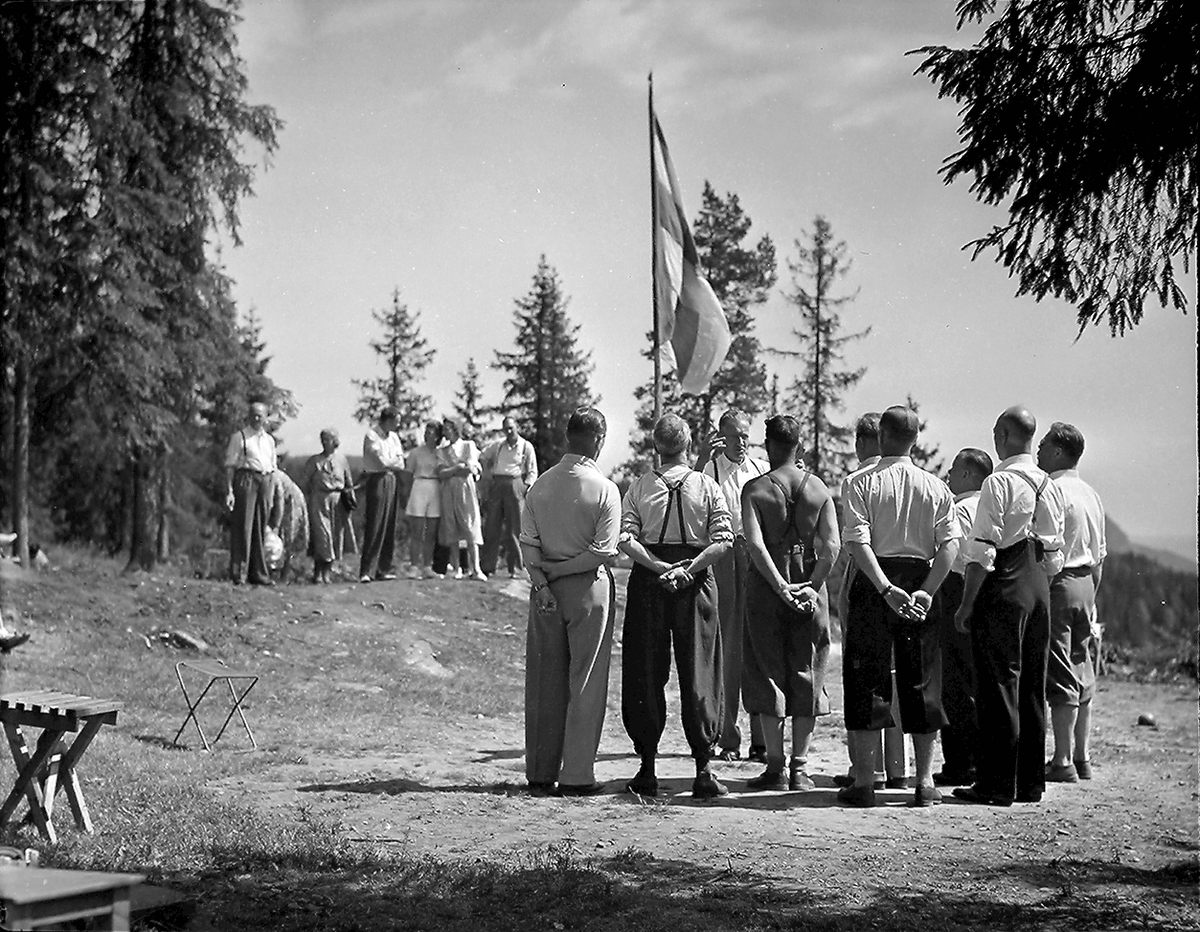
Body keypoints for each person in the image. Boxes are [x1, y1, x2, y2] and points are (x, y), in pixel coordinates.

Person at [840, 406, 960, 808]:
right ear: (916, 438)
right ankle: (924, 782)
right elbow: (950, 545)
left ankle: (864, 781)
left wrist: (885, 587)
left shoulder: (859, 482)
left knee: (867, 679)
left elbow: (858, 543)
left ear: (881, 437)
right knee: (923, 678)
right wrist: (927, 591)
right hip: (922, 577)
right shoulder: (937, 487)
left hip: (877, 581)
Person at [953, 406, 1065, 807]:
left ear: (1002, 434)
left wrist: (966, 604)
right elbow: (1055, 553)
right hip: (1039, 586)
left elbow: (981, 551)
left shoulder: (998, 483)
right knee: (1033, 684)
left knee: (999, 683)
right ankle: (1029, 783)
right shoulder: (1048, 485)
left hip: (1005, 584)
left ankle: (996, 783)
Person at [620, 414, 733, 800]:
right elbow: (723, 541)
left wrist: (659, 567)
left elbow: (626, 539)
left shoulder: (639, 486)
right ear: (688, 445)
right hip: (696, 581)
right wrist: (688, 569)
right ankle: (703, 767)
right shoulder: (708, 486)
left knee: (645, 670)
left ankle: (647, 767)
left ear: (657, 447)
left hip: (650, 582)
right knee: (700, 668)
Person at [520, 407, 622, 796]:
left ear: (567, 436)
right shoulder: (604, 489)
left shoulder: (540, 485)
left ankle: (541, 770)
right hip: (586, 588)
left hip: (543, 589)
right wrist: (563, 572)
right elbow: (603, 551)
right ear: (599, 439)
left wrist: (543, 582)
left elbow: (528, 542)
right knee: (587, 678)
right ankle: (578, 774)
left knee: (545, 680)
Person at [740, 415, 840, 791]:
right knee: (808, 670)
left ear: (768, 445)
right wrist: (811, 586)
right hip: (810, 588)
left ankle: (774, 767)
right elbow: (832, 546)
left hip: (767, 588)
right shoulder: (819, 490)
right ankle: (800, 768)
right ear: (800, 444)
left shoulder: (754, 490)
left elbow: (755, 543)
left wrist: (781, 585)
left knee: (766, 672)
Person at [833, 413, 909, 792]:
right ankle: (897, 767)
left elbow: (853, 542)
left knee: (864, 672)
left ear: (863, 443)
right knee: (896, 671)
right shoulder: (911, 480)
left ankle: (866, 767)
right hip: (907, 572)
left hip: (867, 574)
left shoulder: (858, 482)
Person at [693, 408, 770, 763]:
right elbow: (692, 500)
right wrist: (699, 460)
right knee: (727, 646)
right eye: (735, 436)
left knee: (757, 643)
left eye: (746, 436)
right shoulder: (709, 470)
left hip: (754, 554)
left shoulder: (759, 469)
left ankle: (761, 738)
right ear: (721, 436)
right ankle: (727, 735)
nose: (742, 443)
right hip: (724, 554)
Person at [1038, 422, 1106, 783]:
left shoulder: (1052, 490)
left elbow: (1049, 548)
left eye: (1045, 445)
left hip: (1060, 581)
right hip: (1086, 582)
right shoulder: (1090, 494)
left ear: (1059, 451)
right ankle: (1082, 755)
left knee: (1060, 667)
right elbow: (1100, 555)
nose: (1038, 451)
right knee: (1082, 669)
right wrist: (1092, 593)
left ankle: (1062, 759)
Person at [934, 447, 993, 786]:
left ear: (970, 474)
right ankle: (977, 756)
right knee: (976, 678)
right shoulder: (988, 508)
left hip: (957, 589)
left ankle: (960, 760)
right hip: (986, 593)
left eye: (955, 469)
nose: (949, 475)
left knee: (954, 682)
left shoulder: (959, 511)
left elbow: (954, 555)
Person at [224, 400, 278, 586]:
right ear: (248, 416)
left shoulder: (270, 440)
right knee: (243, 526)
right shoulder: (240, 437)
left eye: (260, 415)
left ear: (265, 418)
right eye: (253, 414)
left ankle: (259, 573)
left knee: (260, 527)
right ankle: (239, 573)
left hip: (265, 480)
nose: (257, 418)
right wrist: (230, 490)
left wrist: (271, 490)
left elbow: (273, 467)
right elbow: (230, 466)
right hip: (246, 478)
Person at [481, 416, 538, 578]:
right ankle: (487, 566)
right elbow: (483, 455)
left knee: (516, 527)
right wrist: (486, 471)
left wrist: (526, 486)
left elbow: (533, 470)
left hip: (516, 484)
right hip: (498, 483)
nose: (509, 431)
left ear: (517, 427)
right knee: (492, 525)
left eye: (511, 428)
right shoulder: (499, 445)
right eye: (506, 428)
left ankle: (517, 568)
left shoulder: (526, 446)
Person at [359, 408, 406, 583]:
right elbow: (382, 462)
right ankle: (367, 570)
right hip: (376, 479)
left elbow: (401, 464)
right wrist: (392, 461)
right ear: (388, 420)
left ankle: (383, 568)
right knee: (375, 523)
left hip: (391, 479)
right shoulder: (372, 436)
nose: (399, 424)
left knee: (389, 524)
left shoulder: (393, 437)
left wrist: (391, 462)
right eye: (397, 420)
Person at [303, 428, 355, 584]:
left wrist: (350, 500)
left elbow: (348, 481)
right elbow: (305, 481)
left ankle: (327, 572)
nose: (325, 442)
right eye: (323, 439)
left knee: (335, 535)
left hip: (337, 500)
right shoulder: (314, 461)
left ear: (335, 441)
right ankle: (318, 572)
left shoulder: (342, 460)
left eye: (328, 439)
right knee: (321, 535)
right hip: (319, 500)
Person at [437, 417, 486, 581]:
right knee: (451, 525)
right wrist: (456, 468)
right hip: (449, 489)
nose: (445, 432)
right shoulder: (442, 450)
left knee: (470, 524)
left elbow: (470, 469)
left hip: (465, 488)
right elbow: (441, 473)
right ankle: (457, 567)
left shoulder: (468, 446)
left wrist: (455, 470)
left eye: (448, 429)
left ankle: (476, 568)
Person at [405, 421, 444, 579]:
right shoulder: (415, 452)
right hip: (419, 486)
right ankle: (414, 566)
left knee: (431, 531)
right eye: (426, 431)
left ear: (437, 436)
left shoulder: (441, 453)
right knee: (417, 530)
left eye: (431, 432)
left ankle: (427, 566)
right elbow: (408, 473)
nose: (427, 434)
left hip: (435, 488)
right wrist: (407, 494)